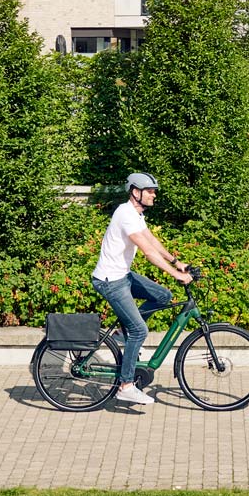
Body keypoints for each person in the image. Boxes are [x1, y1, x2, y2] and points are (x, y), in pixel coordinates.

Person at [92, 172, 192, 408]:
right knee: (140, 331)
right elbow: (147, 252)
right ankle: (126, 386)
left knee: (163, 296)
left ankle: (123, 332)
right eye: (150, 191)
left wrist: (176, 261)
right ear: (136, 192)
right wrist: (176, 275)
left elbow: (152, 240)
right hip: (110, 281)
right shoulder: (125, 214)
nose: (154, 195)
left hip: (122, 276)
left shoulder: (136, 214)